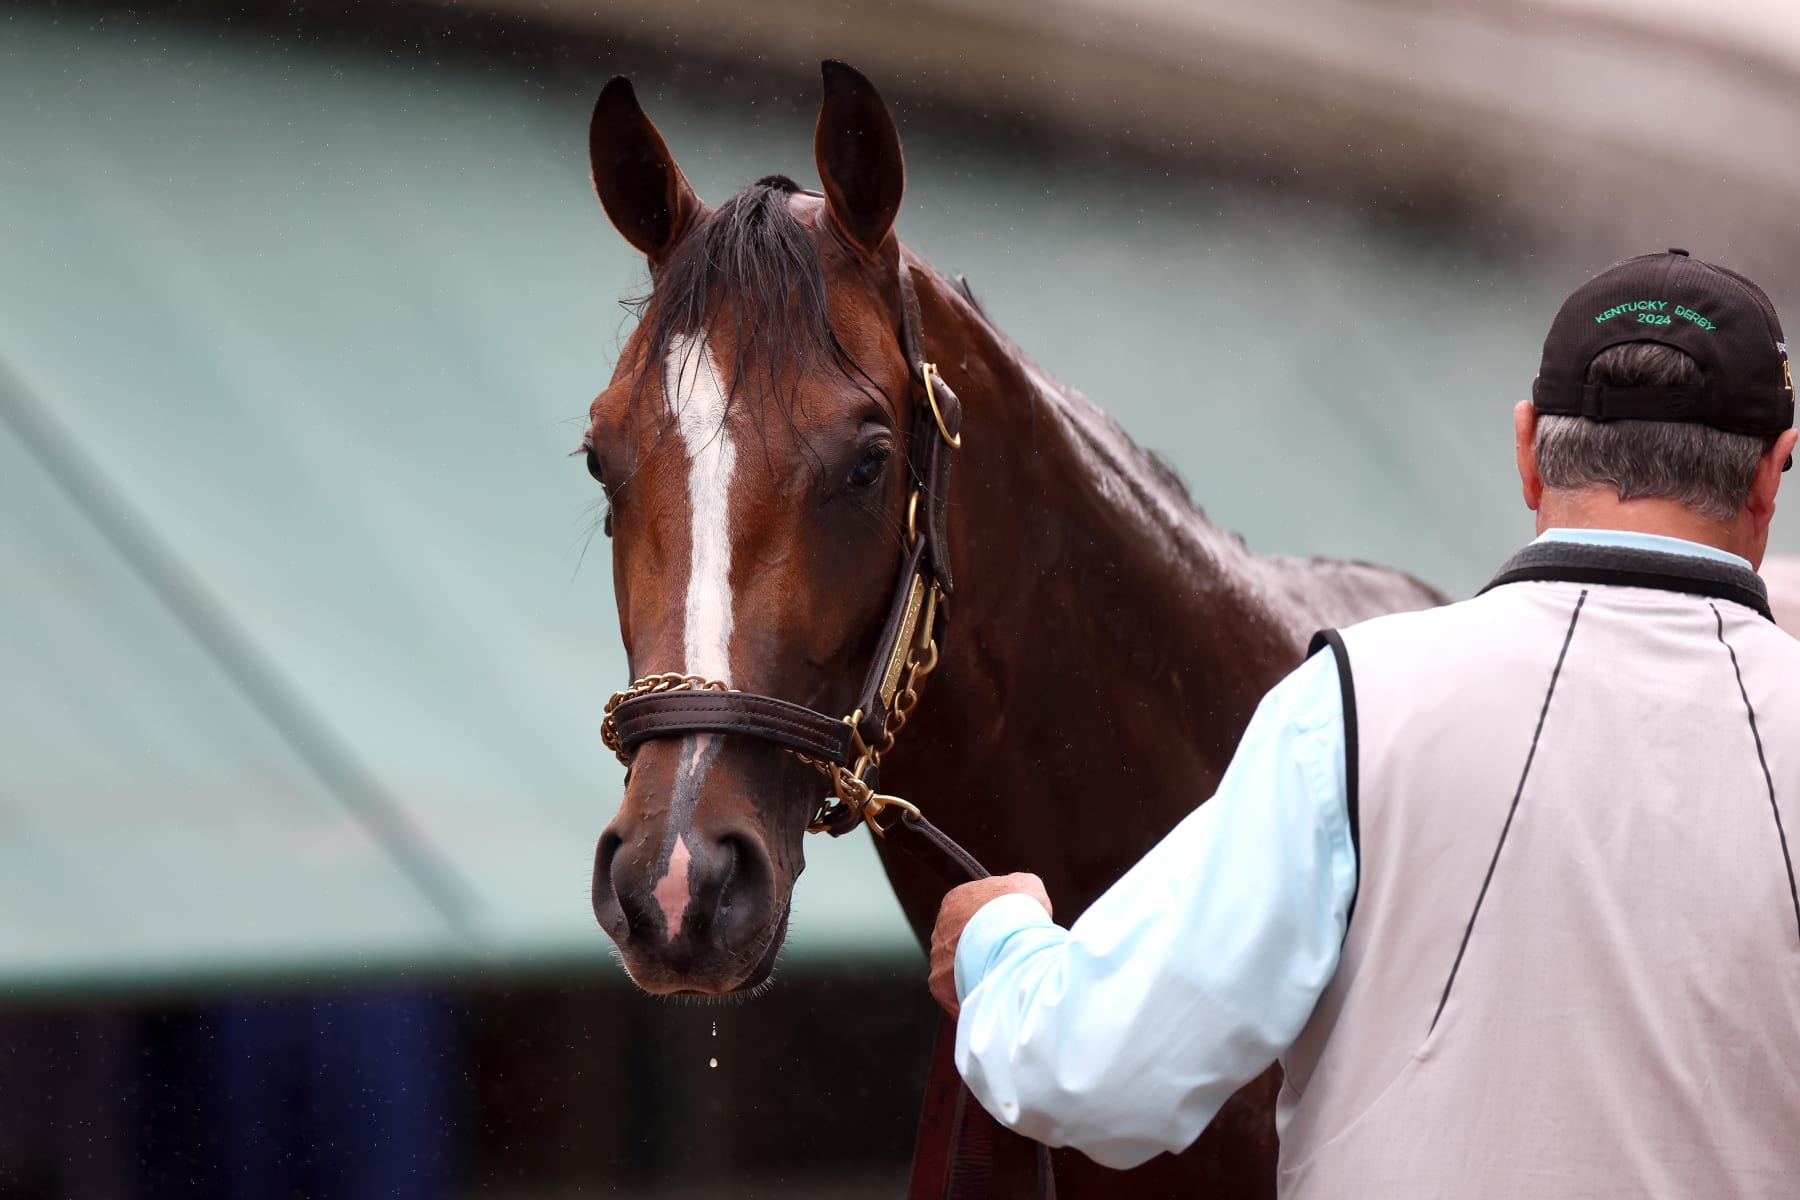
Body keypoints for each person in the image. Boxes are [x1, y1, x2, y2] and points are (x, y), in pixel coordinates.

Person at [929, 249, 1800, 1197]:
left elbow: (1091, 1074)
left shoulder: (1355, 699)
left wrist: (999, 940)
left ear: (1526, 451)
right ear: (1771, 474)